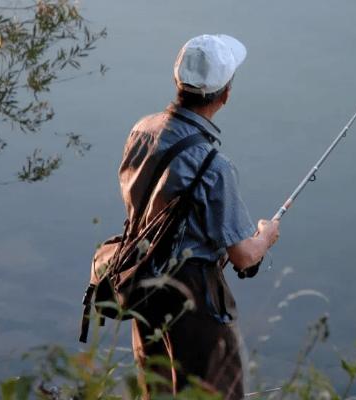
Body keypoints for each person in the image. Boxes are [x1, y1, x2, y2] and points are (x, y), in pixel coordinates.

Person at [118, 34, 280, 399]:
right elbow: (243, 255)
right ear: (225, 95)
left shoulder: (141, 131)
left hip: (142, 281)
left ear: (179, 83)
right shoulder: (214, 165)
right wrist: (266, 235)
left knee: (156, 391)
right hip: (194, 300)